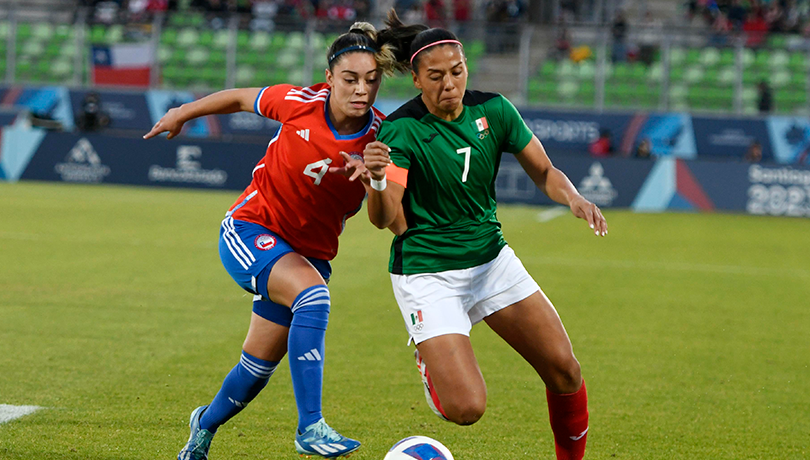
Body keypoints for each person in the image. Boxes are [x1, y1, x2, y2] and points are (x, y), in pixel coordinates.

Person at [143, 21, 417, 459]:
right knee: (314, 298)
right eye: (350, 79)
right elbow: (236, 98)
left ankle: (202, 428)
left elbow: (388, 221)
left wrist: (377, 181)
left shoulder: (382, 140)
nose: (361, 89)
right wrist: (181, 113)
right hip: (252, 228)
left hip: (308, 255)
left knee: (256, 369)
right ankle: (311, 427)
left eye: (371, 80)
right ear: (329, 79)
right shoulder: (298, 102)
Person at [359, 15, 606, 460]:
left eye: (457, 71)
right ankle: (429, 358)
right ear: (416, 79)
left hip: (492, 262)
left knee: (565, 371)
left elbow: (545, 171)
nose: (449, 83)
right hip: (428, 273)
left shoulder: (494, 110)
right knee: (467, 409)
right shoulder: (401, 130)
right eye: (435, 77)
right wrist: (376, 181)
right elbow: (385, 219)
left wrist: (572, 198)